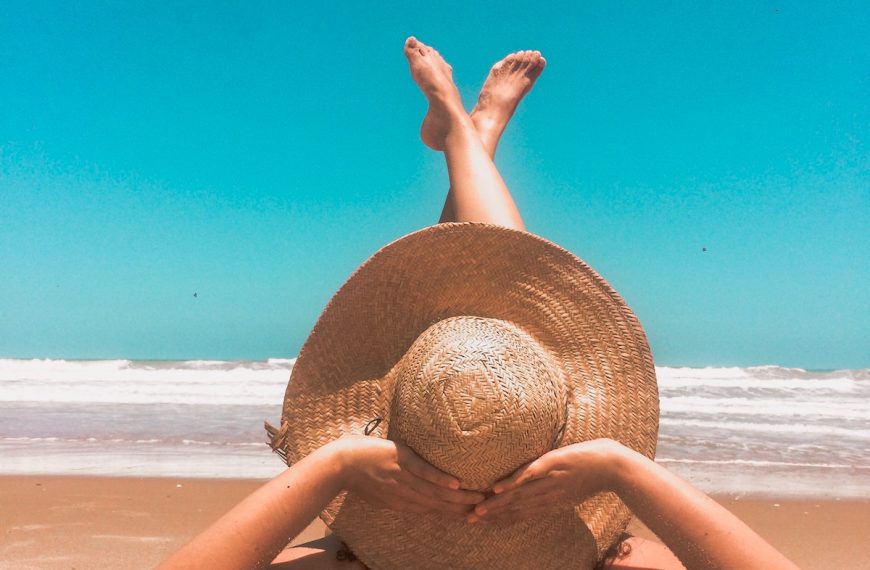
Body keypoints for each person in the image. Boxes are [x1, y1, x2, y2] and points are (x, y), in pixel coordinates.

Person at [158, 38, 798, 570]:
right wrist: (621, 470)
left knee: (476, 319)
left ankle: (468, 133)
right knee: (488, 324)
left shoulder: (348, 565)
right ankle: (469, 135)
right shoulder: (601, 562)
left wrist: (335, 467)